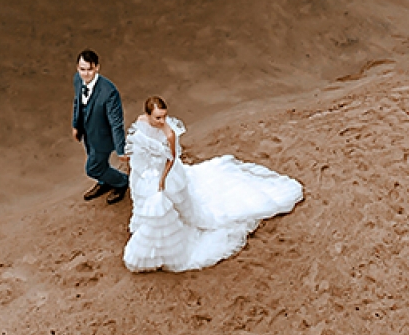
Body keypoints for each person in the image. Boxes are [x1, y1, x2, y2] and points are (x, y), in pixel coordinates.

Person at [123, 96, 302, 273]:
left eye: (164, 116)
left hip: (166, 172)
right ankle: (146, 233)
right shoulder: (141, 121)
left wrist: (162, 180)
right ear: (148, 115)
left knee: (163, 207)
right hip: (147, 170)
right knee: (146, 201)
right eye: (158, 117)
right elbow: (138, 144)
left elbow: (171, 159)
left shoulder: (169, 133)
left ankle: (164, 247)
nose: (162, 121)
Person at [71, 50, 128, 204]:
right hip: (87, 132)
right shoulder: (78, 79)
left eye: (89, 69)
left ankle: (121, 181)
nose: (86, 74)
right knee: (95, 160)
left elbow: (116, 122)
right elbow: (77, 102)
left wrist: (121, 149)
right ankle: (104, 182)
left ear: (97, 67)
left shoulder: (109, 92)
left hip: (103, 137)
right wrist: (76, 126)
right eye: (82, 69)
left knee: (93, 168)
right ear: (77, 68)